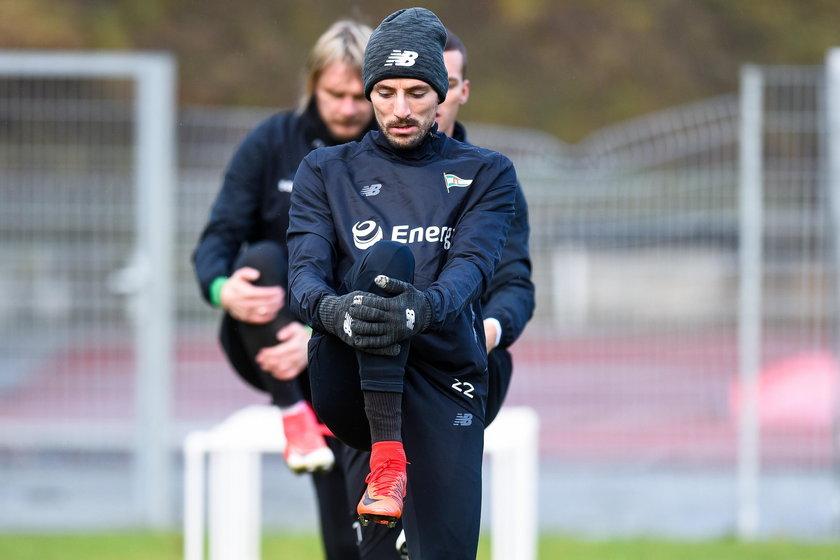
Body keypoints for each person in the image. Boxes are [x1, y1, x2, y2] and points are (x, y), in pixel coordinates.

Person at [287, 8, 519, 560]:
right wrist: (332, 312)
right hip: (350, 372)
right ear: (369, 93)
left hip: (444, 375)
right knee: (384, 258)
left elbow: (472, 269)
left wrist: (420, 310)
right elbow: (303, 273)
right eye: (385, 91)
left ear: (442, 94)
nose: (400, 108)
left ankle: (395, 471)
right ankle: (385, 457)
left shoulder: (488, 171)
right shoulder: (324, 169)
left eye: (416, 92)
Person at [192, 19, 375, 560]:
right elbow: (216, 241)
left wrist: (321, 336)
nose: (347, 108)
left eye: (358, 96)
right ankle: (294, 414)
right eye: (334, 94)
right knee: (259, 259)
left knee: (354, 511)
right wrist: (222, 289)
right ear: (312, 85)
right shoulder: (271, 142)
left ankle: (311, 426)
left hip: (354, 343)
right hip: (270, 348)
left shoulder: (395, 152)